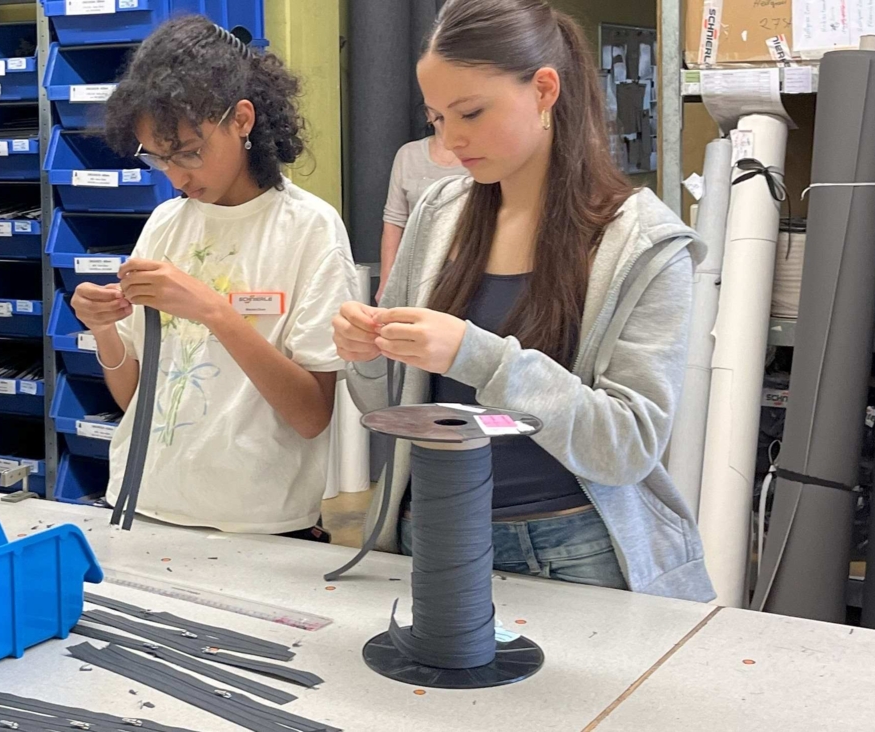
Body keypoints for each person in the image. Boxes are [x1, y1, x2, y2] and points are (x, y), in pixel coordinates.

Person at [334, 0, 715, 601]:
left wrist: (477, 356)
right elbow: (388, 403)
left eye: (471, 112)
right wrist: (365, 353)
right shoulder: (440, 215)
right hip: (432, 531)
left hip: (577, 547)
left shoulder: (642, 241)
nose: (451, 139)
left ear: (543, 90)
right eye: (436, 118)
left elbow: (627, 446)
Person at [72, 16, 357, 539]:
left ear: (241, 119)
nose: (178, 176)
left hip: (258, 522)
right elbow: (133, 394)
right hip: (143, 503)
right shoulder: (165, 223)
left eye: (189, 151)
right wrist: (104, 328)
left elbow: (313, 414)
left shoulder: (309, 229)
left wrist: (214, 311)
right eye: (159, 157)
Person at [377, 114, 467, 302]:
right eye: (439, 115)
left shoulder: (481, 154)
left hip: (464, 268)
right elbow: (394, 221)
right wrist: (386, 281)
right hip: (414, 269)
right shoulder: (409, 154)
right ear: (427, 113)